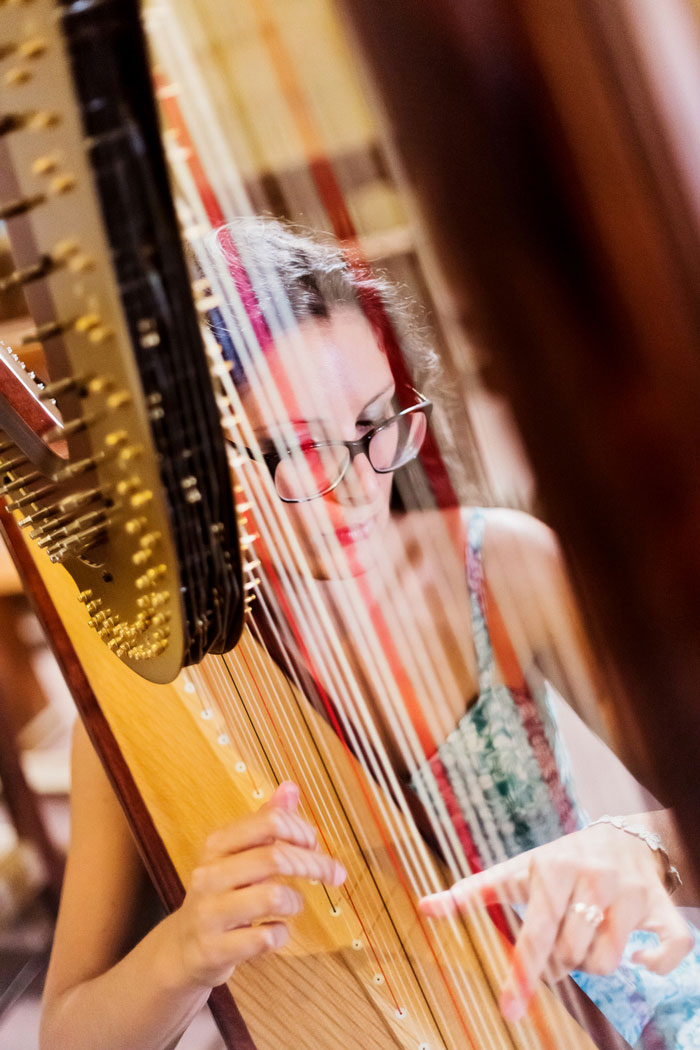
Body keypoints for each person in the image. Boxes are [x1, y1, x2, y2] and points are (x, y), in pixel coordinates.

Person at [41, 219, 700, 1050]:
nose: (359, 484)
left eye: (376, 421)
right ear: (197, 461)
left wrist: (636, 848)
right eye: (302, 448)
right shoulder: (157, 692)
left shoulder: (507, 568)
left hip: (626, 1015)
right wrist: (185, 949)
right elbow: (66, 1034)